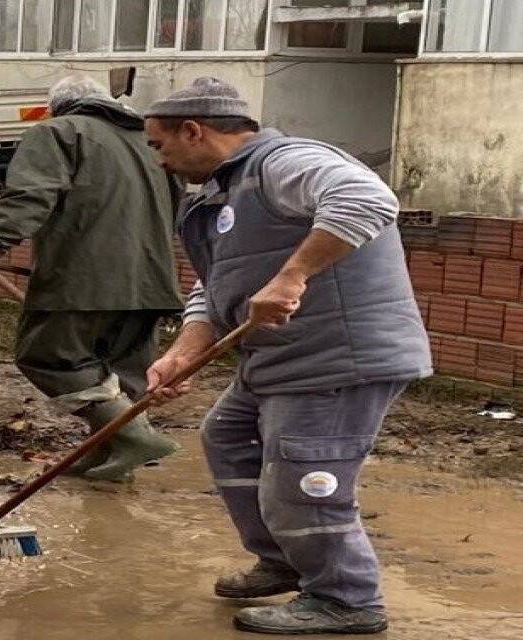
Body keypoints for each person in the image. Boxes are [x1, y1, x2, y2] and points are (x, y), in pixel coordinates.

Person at [142, 77, 431, 635]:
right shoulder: (217, 193)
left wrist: (293, 274)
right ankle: (284, 560)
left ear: (193, 130)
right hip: (280, 357)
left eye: (159, 145)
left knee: (304, 476)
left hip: (337, 355)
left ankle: (347, 599)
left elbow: (370, 199)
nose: (160, 160)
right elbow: (217, 286)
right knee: (227, 436)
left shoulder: (285, 163)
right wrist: (182, 353)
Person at [0, 75, 183, 482]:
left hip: (85, 279)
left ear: (58, 107)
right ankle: (108, 455)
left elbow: (31, 195)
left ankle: (136, 437)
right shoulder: (150, 140)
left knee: (49, 356)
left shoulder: (57, 132)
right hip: (151, 280)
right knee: (118, 372)